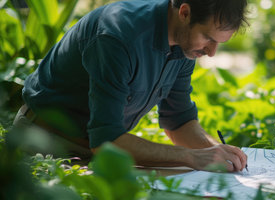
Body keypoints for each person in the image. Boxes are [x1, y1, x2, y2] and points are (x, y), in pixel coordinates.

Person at [13, 0, 248, 172]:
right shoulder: (118, 36)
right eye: (209, 38)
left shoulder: (186, 46)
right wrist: (192, 157)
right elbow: (107, 141)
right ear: (185, 12)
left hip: (98, 148)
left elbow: (179, 122)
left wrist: (219, 153)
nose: (211, 52)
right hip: (46, 144)